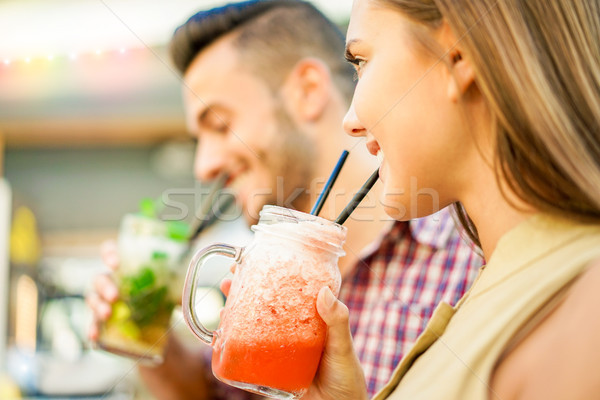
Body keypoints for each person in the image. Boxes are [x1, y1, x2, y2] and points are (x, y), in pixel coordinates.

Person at [86, 1, 482, 399]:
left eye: (220, 124)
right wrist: (155, 346)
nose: (204, 166)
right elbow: (217, 393)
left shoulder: (472, 259)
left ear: (308, 91)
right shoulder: (263, 265)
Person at [303, 0, 600, 399]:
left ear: (459, 55)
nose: (351, 121)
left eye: (361, 61)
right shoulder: (502, 281)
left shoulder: (583, 306)